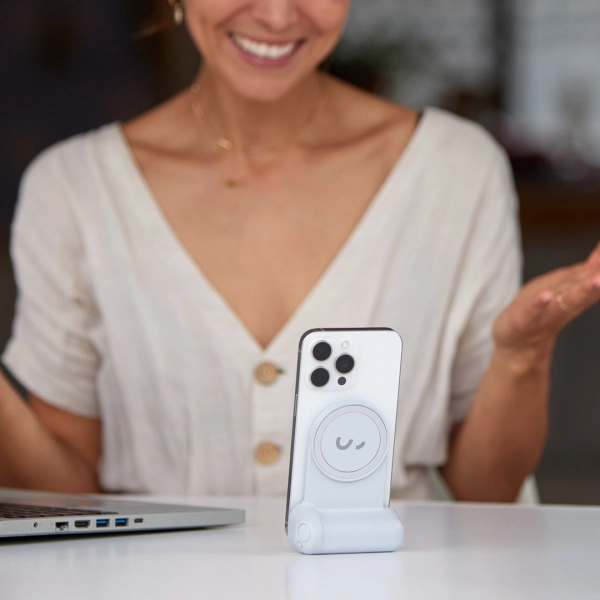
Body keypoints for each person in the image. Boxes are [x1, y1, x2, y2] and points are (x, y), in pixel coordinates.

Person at [1, 0, 599, 501]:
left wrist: (522, 356)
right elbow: (63, 494)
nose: (278, 15)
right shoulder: (73, 189)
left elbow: (486, 491)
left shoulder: (456, 169)